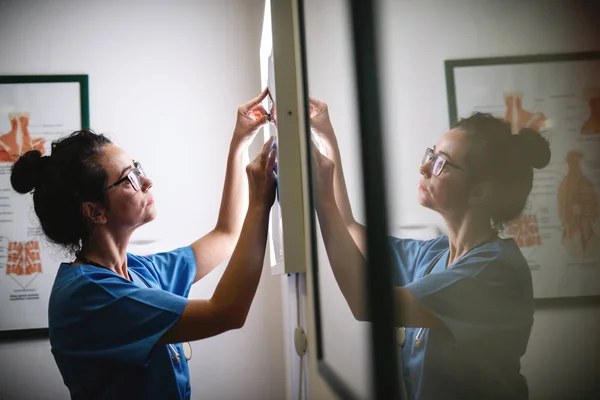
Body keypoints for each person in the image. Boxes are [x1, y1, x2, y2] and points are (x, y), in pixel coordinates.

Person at [9, 89, 277, 400]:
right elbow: (227, 313)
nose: (146, 182)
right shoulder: (89, 297)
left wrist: (240, 141)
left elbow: (226, 235)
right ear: (94, 211)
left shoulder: (135, 270)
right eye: (129, 178)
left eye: (138, 168)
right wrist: (260, 203)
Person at [309, 98, 551, 400]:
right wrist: (324, 135)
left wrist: (322, 198)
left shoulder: (494, 272)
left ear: (479, 192)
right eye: (431, 155)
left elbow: (366, 304)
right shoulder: (437, 254)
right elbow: (349, 227)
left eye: (442, 163)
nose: (424, 168)